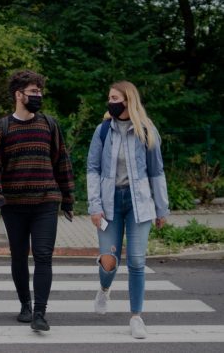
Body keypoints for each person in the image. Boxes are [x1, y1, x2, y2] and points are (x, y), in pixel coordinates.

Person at [0, 70, 75, 332]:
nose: (39, 96)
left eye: (40, 92)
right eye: (33, 92)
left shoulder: (50, 124)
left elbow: (62, 161)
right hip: (13, 205)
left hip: (46, 202)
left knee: (44, 256)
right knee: (18, 257)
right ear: (18, 94)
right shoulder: (1, 128)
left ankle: (40, 313)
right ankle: (25, 304)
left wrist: (68, 199)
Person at [86, 80, 169, 339]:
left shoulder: (146, 129)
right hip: (109, 205)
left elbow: (156, 171)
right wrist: (94, 206)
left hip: (139, 204)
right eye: (109, 98)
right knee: (109, 262)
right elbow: (93, 169)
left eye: (114, 98)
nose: (110, 102)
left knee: (136, 261)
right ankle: (104, 288)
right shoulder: (102, 131)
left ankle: (136, 317)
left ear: (127, 101)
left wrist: (161, 208)